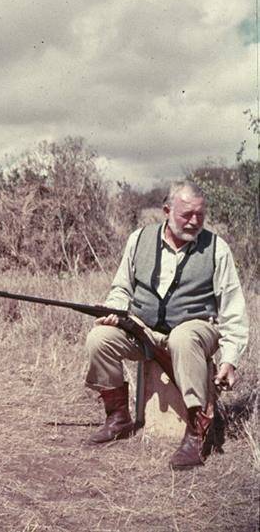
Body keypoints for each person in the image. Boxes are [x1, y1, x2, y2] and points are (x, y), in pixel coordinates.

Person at [84, 180, 248, 469]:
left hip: (196, 329)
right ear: (166, 211)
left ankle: (198, 433)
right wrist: (115, 311)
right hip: (142, 329)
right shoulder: (138, 239)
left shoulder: (217, 249)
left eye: (200, 214)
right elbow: (122, 287)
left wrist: (229, 360)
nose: (194, 221)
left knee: (183, 337)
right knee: (100, 338)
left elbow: (233, 310)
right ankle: (118, 417)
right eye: (186, 215)